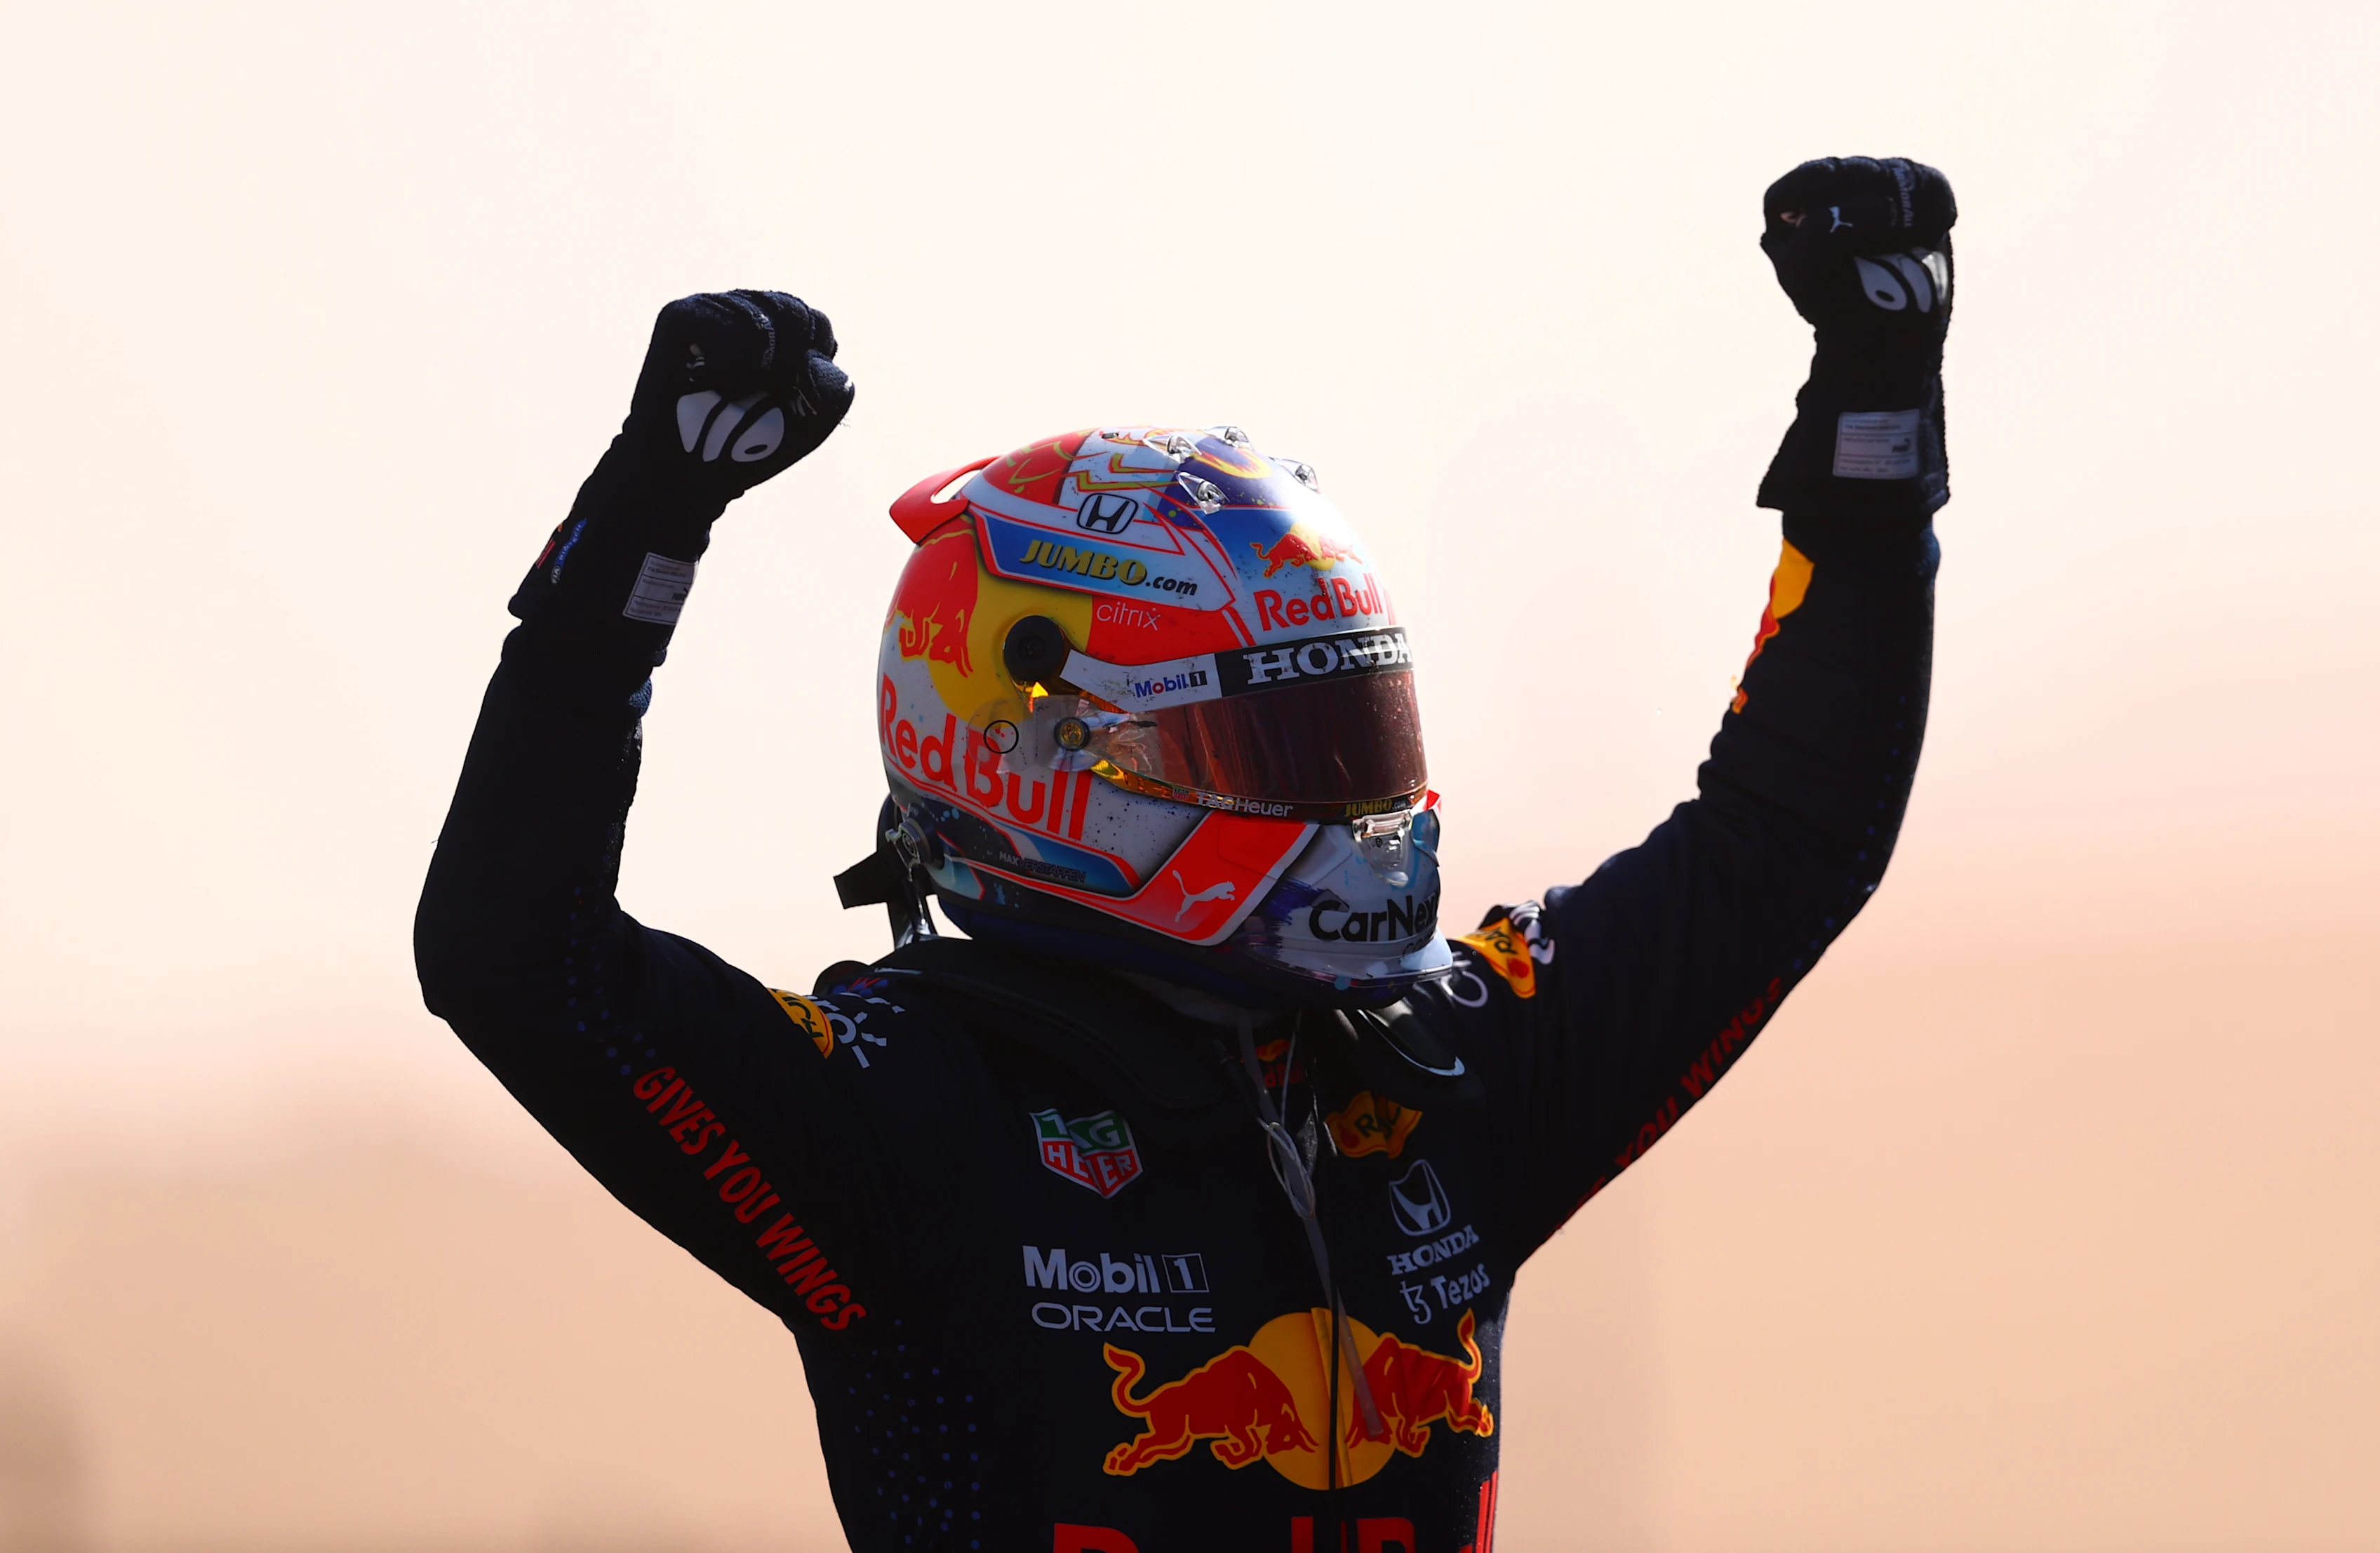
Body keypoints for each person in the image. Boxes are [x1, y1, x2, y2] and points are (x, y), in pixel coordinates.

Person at [415, 156, 1953, 1553]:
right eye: (1274, 753)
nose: (1348, 808)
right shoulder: (907, 1114)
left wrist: (1877, 429)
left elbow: (1786, 838)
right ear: (1044, 766)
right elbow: (512, 957)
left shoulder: (1437, 1069)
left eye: (1360, 740)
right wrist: (646, 521)